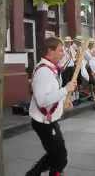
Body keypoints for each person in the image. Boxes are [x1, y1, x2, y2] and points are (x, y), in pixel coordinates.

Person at [26, 37, 77, 176]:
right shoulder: (44, 72)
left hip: (48, 120)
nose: (63, 53)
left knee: (57, 155)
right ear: (50, 51)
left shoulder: (51, 69)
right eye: (60, 50)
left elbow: (52, 93)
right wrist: (66, 90)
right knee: (59, 157)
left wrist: (64, 100)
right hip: (43, 122)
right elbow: (42, 100)